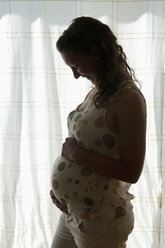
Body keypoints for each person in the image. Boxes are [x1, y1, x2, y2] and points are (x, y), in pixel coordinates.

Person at [50, 16, 146, 248]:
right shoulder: (98, 91)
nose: (75, 74)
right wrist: (61, 193)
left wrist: (76, 156)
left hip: (101, 221)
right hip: (73, 214)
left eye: (75, 65)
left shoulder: (128, 99)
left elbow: (132, 171)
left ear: (95, 52)